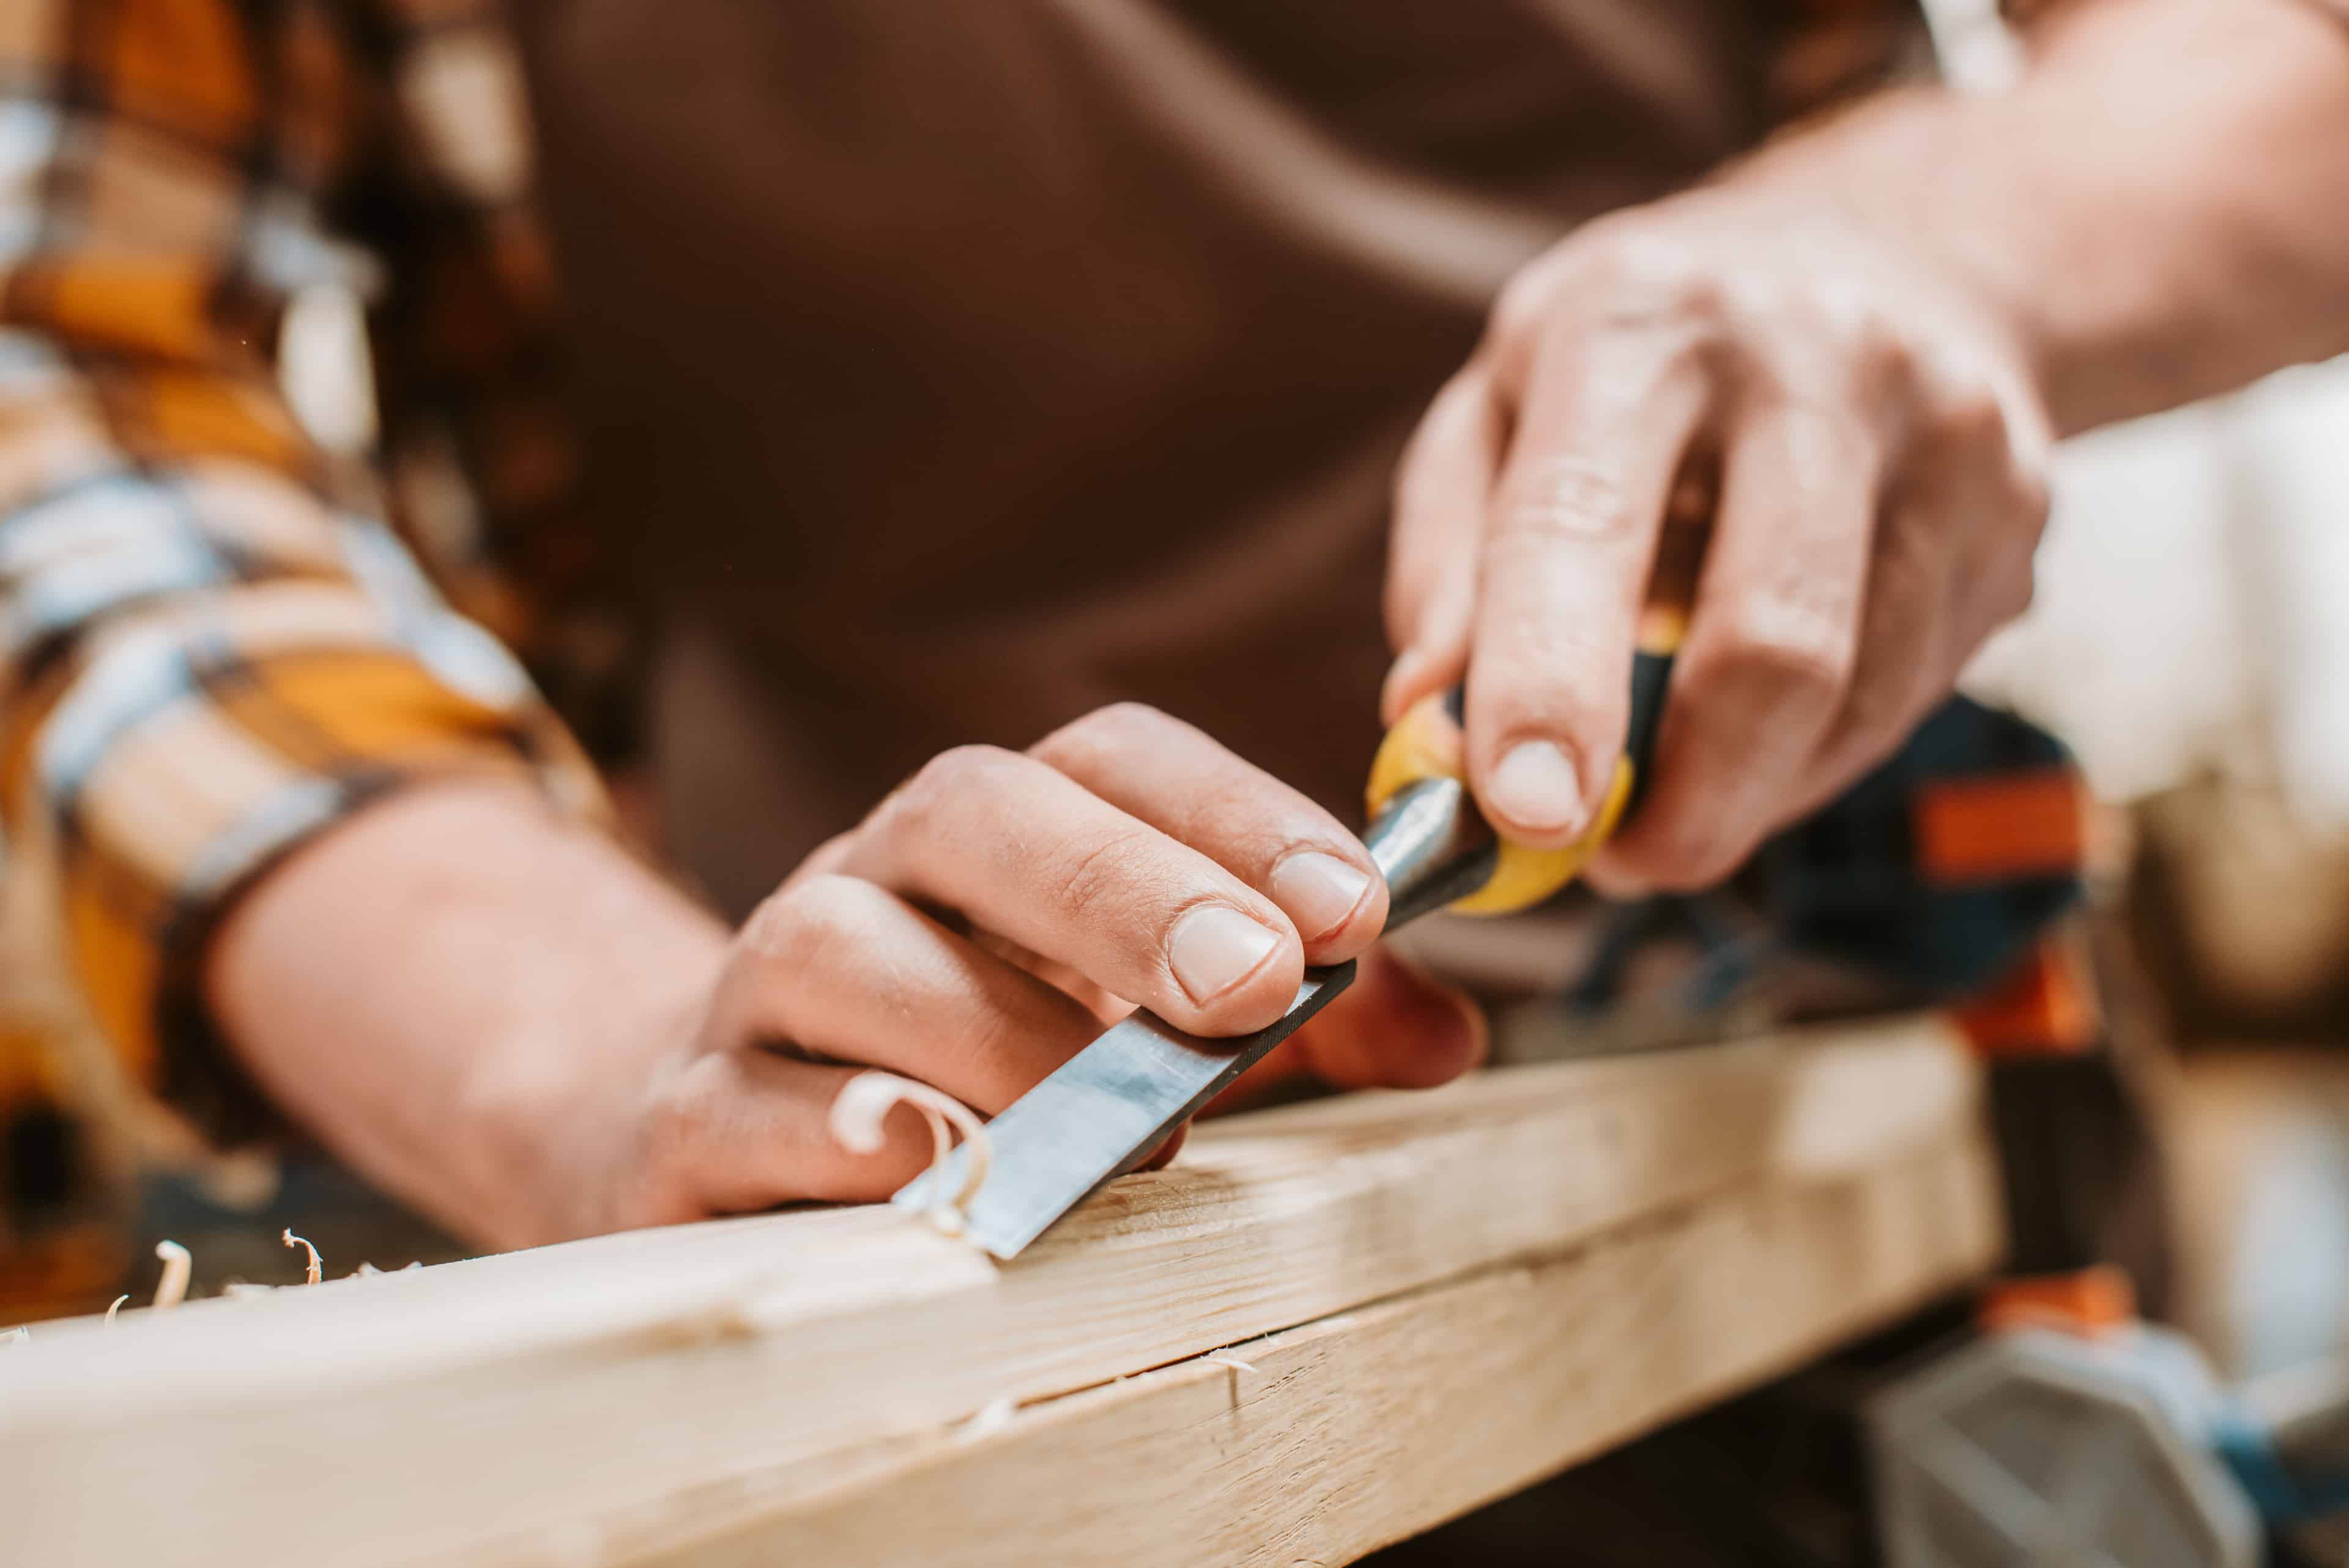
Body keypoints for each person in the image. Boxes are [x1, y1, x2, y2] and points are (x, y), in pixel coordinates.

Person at [0, 0, 2343, 1252]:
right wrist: (583, 1061)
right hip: (852, 1165)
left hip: (1796, 1121)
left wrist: (1934, 245)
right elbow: (67, 368)